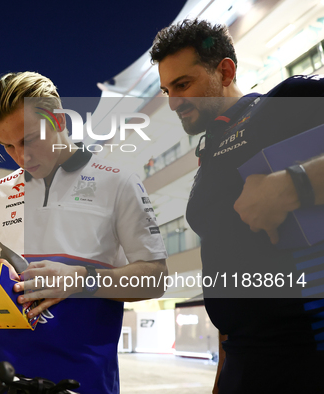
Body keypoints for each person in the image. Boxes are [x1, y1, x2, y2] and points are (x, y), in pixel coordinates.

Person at [150, 19, 324, 393]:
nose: (173, 102)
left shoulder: (285, 102)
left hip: (306, 352)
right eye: (167, 90)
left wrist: (296, 184)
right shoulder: (210, 152)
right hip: (242, 361)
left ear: (225, 70)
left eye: (183, 85)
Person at [0, 71, 168, 393]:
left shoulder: (118, 182)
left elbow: (155, 278)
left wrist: (80, 278)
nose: (22, 157)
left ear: (59, 120)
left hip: (77, 378)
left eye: (29, 140)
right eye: (8, 147)